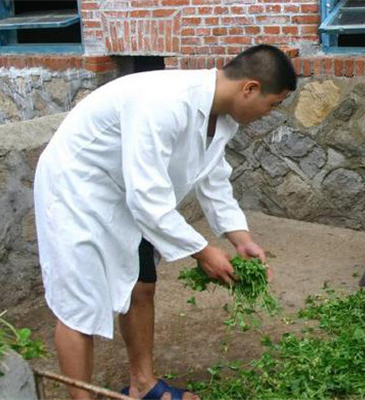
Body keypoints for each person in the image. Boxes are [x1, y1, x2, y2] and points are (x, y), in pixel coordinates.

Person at [33, 44, 297, 400]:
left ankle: (143, 384)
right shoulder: (166, 102)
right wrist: (203, 252)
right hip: (78, 190)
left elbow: (213, 178)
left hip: (126, 192)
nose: (270, 113)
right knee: (81, 306)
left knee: (142, 285)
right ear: (249, 88)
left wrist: (241, 239)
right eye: (273, 103)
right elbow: (147, 199)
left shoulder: (221, 116)